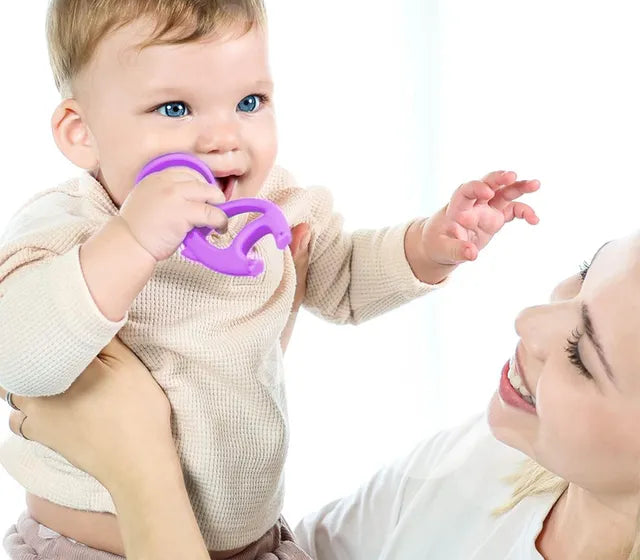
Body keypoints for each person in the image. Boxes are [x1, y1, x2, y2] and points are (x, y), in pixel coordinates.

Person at [0, 0, 540, 560]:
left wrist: (429, 245)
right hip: (84, 547)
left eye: (249, 101)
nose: (224, 137)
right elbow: (18, 355)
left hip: (256, 543)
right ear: (81, 132)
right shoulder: (70, 225)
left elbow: (342, 279)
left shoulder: (274, 208)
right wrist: (131, 239)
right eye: (174, 109)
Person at [6, 224, 640, 558]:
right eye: (586, 271)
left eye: (582, 356)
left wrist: (140, 476)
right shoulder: (487, 461)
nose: (528, 321)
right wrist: (239, 369)